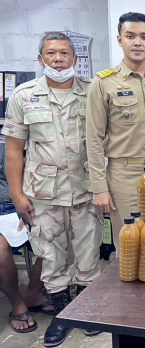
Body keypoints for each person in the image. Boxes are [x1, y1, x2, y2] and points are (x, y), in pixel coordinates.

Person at [2, 32, 103, 346]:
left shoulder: (93, 91)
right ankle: (61, 315)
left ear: (75, 58)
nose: (58, 59)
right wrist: (17, 196)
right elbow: (13, 150)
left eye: (64, 53)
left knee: (88, 254)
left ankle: (85, 312)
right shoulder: (24, 95)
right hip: (43, 194)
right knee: (51, 256)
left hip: (87, 189)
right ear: (40, 58)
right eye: (51, 53)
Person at [86, 12, 145, 250]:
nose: (138, 42)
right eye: (130, 36)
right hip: (125, 175)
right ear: (119, 40)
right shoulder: (103, 83)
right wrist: (99, 188)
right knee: (130, 246)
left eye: (144, 37)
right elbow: (94, 140)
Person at [0, 143, 54, 334]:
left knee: (56, 234)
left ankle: (34, 292)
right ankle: (17, 303)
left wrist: (24, 205)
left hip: (25, 203)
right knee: (0, 252)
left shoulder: (11, 145)